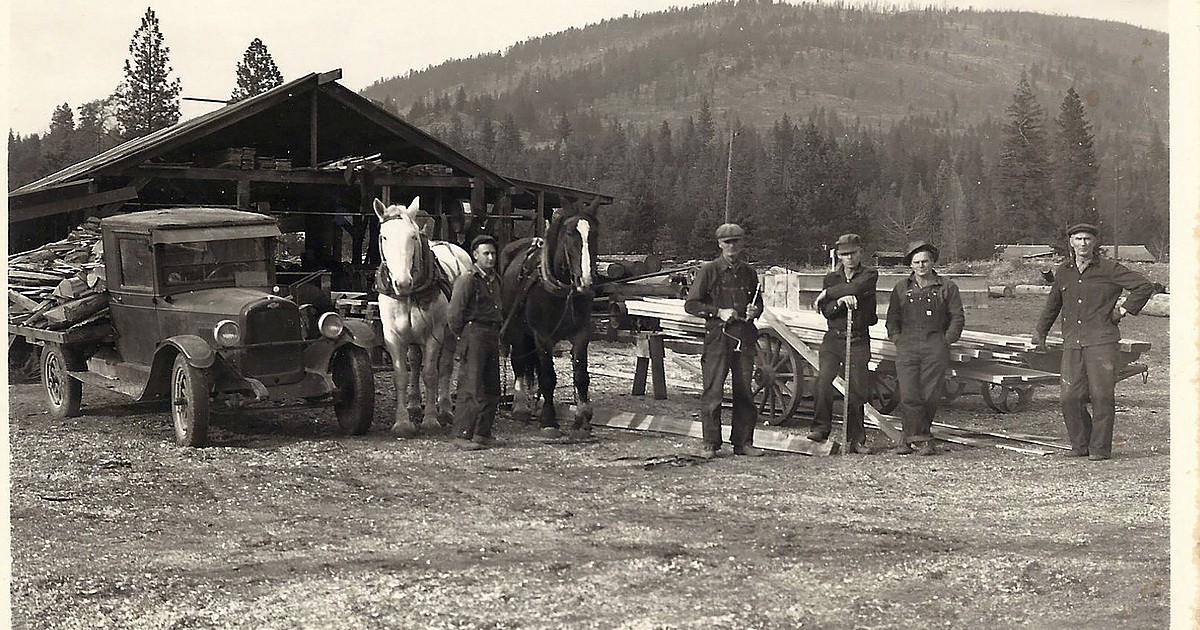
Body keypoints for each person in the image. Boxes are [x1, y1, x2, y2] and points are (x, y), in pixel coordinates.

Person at [1032, 223, 1154, 461]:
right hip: (1073, 342)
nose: (1083, 243)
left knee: (1101, 396)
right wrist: (1041, 332)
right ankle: (1080, 445)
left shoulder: (1109, 268)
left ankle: (1099, 449)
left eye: (1087, 239)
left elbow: (1143, 286)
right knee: (1069, 397)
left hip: (1102, 342)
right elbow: (1053, 304)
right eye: (1078, 239)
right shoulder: (1064, 270)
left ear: (1095, 242)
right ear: (1071, 242)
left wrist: (1122, 310)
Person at [684, 223, 765, 459]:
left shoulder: (749, 273)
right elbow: (691, 305)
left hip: (744, 336)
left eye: (736, 241)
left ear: (742, 243)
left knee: (745, 392)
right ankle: (710, 444)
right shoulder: (709, 270)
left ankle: (743, 443)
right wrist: (718, 312)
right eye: (727, 242)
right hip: (718, 337)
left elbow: (759, 303)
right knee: (713, 392)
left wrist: (755, 311)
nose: (732, 246)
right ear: (719, 244)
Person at [885, 240, 965, 456]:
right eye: (917, 262)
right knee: (909, 394)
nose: (921, 266)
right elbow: (892, 318)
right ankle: (922, 440)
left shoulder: (947, 287)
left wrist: (946, 340)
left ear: (932, 262)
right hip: (907, 346)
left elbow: (957, 317)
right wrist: (897, 338)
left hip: (934, 345)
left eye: (925, 261)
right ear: (911, 265)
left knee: (929, 395)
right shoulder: (901, 288)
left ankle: (909, 440)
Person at [808, 233, 878, 454]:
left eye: (853, 253)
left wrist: (827, 293)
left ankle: (856, 439)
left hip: (857, 338)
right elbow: (827, 311)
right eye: (845, 254)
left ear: (860, 252)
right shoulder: (831, 277)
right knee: (822, 381)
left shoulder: (869, 274)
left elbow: (857, 288)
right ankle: (820, 429)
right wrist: (839, 301)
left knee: (857, 389)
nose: (849, 258)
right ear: (838, 255)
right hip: (833, 339)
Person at [448, 234, 503, 451]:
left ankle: (482, 433)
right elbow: (454, 314)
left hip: (492, 333)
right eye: (486, 253)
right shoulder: (468, 280)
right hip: (474, 333)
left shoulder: (495, 280)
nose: (490, 258)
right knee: (470, 387)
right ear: (475, 255)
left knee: (492, 388)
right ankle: (462, 434)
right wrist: (464, 337)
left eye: (493, 253)